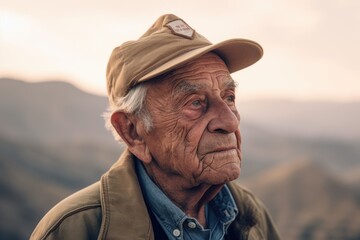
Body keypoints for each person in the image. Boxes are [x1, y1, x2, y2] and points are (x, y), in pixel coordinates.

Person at [31, 14, 280, 240]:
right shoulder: (72, 231)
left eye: (229, 97)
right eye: (195, 103)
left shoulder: (253, 217)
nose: (230, 121)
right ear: (133, 132)